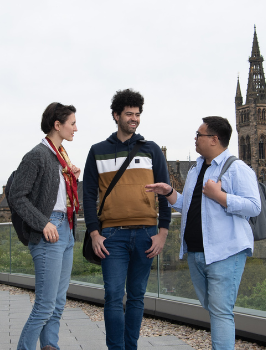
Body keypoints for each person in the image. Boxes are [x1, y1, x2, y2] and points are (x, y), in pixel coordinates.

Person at [145, 116, 261, 350]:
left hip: (225, 252)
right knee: (214, 309)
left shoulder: (237, 168)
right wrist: (169, 193)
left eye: (199, 135)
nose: (195, 139)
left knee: (220, 312)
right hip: (197, 253)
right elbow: (188, 205)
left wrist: (220, 196)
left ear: (214, 139)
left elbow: (254, 206)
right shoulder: (196, 169)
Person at [83, 89, 171, 350]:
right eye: (129, 114)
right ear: (116, 115)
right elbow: (88, 196)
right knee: (112, 296)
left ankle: (130, 347)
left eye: (137, 114)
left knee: (136, 297)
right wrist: (94, 233)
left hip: (146, 233)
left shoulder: (152, 150)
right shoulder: (97, 151)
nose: (134, 118)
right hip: (112, 235)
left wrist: (163, 232)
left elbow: (166, 191)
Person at [9, 102, 81, 350]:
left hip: (67, 231)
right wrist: (43, 223)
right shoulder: (37, 155)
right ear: (57, 125)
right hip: (49, 233)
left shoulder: (61, 156)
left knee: (58, 303)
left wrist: (71, 177)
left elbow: (57, 196)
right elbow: (17, 196)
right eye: (72, 123)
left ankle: (50, 346)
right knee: (45, 306)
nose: (76, 128)